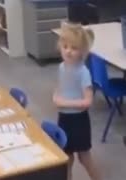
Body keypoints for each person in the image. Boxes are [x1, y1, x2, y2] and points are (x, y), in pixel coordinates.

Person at [53, 22, 101, 180]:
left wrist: (63, 103)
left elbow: (87, 102)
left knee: (84, 158)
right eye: (65, 46)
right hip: (64, 118)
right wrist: (56, 95)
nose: (68, 51)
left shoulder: (83, 72)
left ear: (82, 51)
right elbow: (61, 87)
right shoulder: (61, 67)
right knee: (66, 158)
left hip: (78, 120)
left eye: (74, 48)